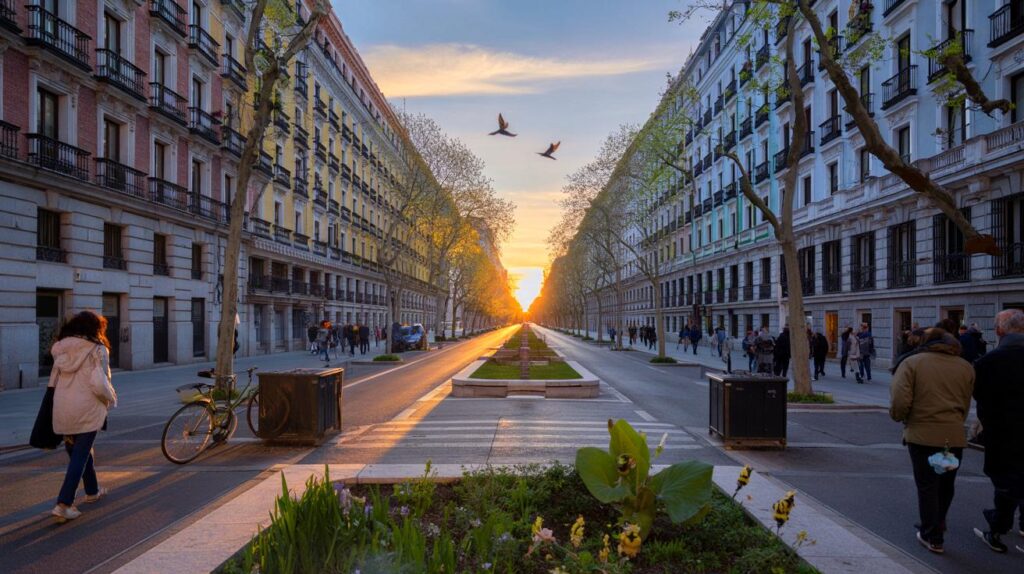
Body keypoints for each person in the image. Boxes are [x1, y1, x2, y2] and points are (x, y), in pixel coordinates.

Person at [889, 328, 974, 554]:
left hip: (923, 434)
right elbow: (965, 402)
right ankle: (938, 522)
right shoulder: (965, 366)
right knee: (946, 483)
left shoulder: (912, 363)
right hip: (952, 435)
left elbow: (899, 399)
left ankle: (932, 534)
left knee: (927, 485)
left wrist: (901, 417)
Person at [49, 311, 118, 523]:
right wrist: (111, 399)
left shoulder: (60, 348)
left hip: (63, 406)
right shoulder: (97, 349)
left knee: (79, 451)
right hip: (88, 407)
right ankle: (64, 504)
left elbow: (52, 381)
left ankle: (92, 491)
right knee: (80, 454)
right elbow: (100, 383)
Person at [972, 309, 1024, 553]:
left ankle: (997, 528)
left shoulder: (989, 362)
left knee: (1005, 481)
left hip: (1003, 433)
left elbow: (980, 396)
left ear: (999, 331)